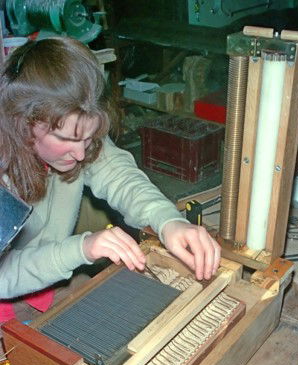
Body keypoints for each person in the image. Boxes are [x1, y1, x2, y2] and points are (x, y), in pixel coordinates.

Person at [0, 37, 221, 320]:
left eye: (89, 138)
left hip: (49, 278)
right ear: (23, 122)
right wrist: (83, 247)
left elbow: (119, 175)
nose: (80, 154)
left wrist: (167, 220)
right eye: (67, 139)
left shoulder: (76, 136)